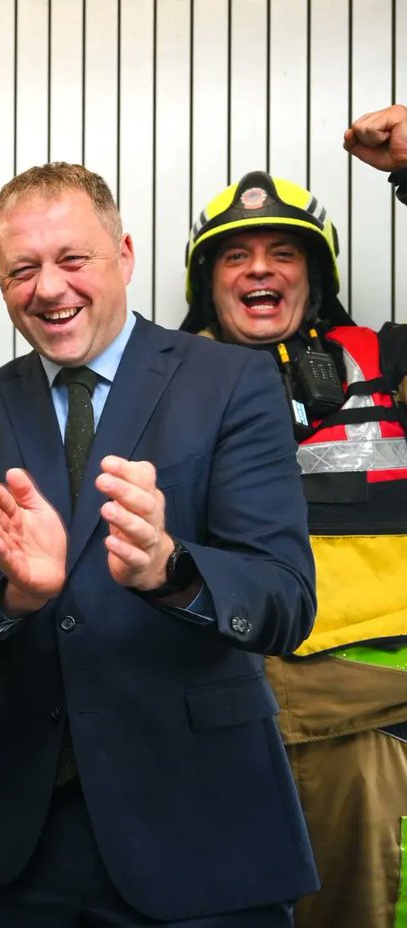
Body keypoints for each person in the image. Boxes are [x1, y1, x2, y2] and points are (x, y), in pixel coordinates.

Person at [0, 162, 319, 926]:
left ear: (125, 255)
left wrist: (170, 569)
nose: (49, 288)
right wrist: (15, 595)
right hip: (13, 841)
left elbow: (285, 598)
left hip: (198, 829)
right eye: (22, 270)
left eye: (72, 259)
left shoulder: (232, 381)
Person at [180, 105, 407, 928]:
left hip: (369, 720)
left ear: (317, 275)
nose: (259, 269)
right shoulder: (157, 381)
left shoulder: (388, 361)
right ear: (206, 282)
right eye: (235, 255)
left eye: (283, 252)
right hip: (212, 719)